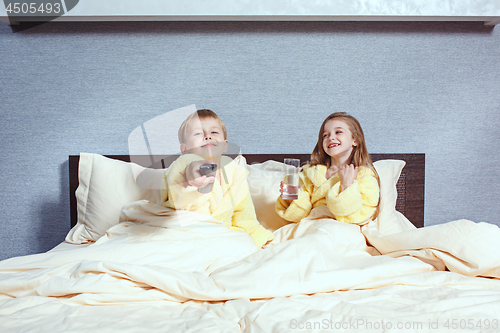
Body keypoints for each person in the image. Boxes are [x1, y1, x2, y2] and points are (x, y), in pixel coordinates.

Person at [161, 109, 274, 248]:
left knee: (245, 244)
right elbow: (182, 178)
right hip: (184, 233)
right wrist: (191, 179)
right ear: (184, 149)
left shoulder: (235, 173)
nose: (208, 136)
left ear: (225, 145)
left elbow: (244, 216)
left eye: (214, 132)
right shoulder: (183, 165)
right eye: (198, 133)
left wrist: (260, 238)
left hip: (219, 237)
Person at [276, 112, 380, 225]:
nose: (330, 137)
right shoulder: (310, 174)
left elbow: (357, 217)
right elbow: (298, 216)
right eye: (325, 135)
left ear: (355, 140)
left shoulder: (364, 175)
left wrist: (347, 184)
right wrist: (294, 198)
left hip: (342, 228)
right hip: (311, 225)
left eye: (338, 132)